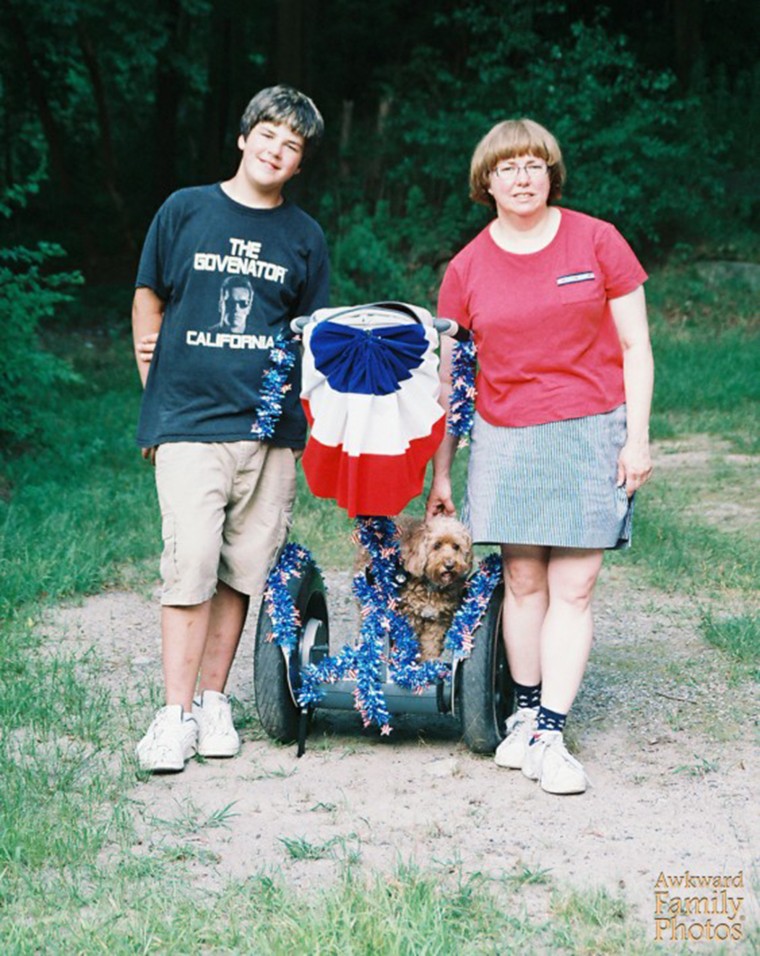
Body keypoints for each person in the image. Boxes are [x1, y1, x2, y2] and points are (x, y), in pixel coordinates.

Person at [427, 118, 653, 795]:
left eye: (534, 165)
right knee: (523, 582)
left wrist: (636, 438)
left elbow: (637, 348)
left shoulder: (598, 240)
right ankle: (524, 714)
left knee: (574, 587)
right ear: (486, 181)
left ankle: (552, 732)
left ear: (551, 173)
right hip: (505, 435)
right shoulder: (466, 268)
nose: (522, 178)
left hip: (590, 431)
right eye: (507, 167)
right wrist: (441, 471)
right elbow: (449, 381)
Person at [132, 85, 329, 773]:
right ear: (245, 138)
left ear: (299, 164)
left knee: (244, 569)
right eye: (269, 135)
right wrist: (153, 388)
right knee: (189, 561)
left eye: (293, 145)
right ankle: (173, 715)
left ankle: (214, 702)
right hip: (190, 421)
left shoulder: (304, 238)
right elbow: (148, 294)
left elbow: (312, 337)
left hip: (270, 429)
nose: (277, 150)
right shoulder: (186, 209)